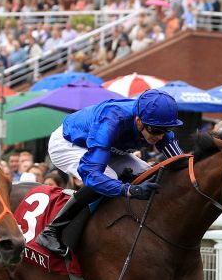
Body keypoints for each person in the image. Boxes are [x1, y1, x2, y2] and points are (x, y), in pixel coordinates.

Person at [36, 89, 183, 256]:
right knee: (108, 177)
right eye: (156, 131)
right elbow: (92, 175)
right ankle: (52, 230)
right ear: (138, 120)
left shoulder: (155, 122)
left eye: (167, 129)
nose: (160, 136)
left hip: (108, 146)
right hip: (69, 143)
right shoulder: (111, 121)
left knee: (148, 173)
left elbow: (181, 162)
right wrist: (128, 190)